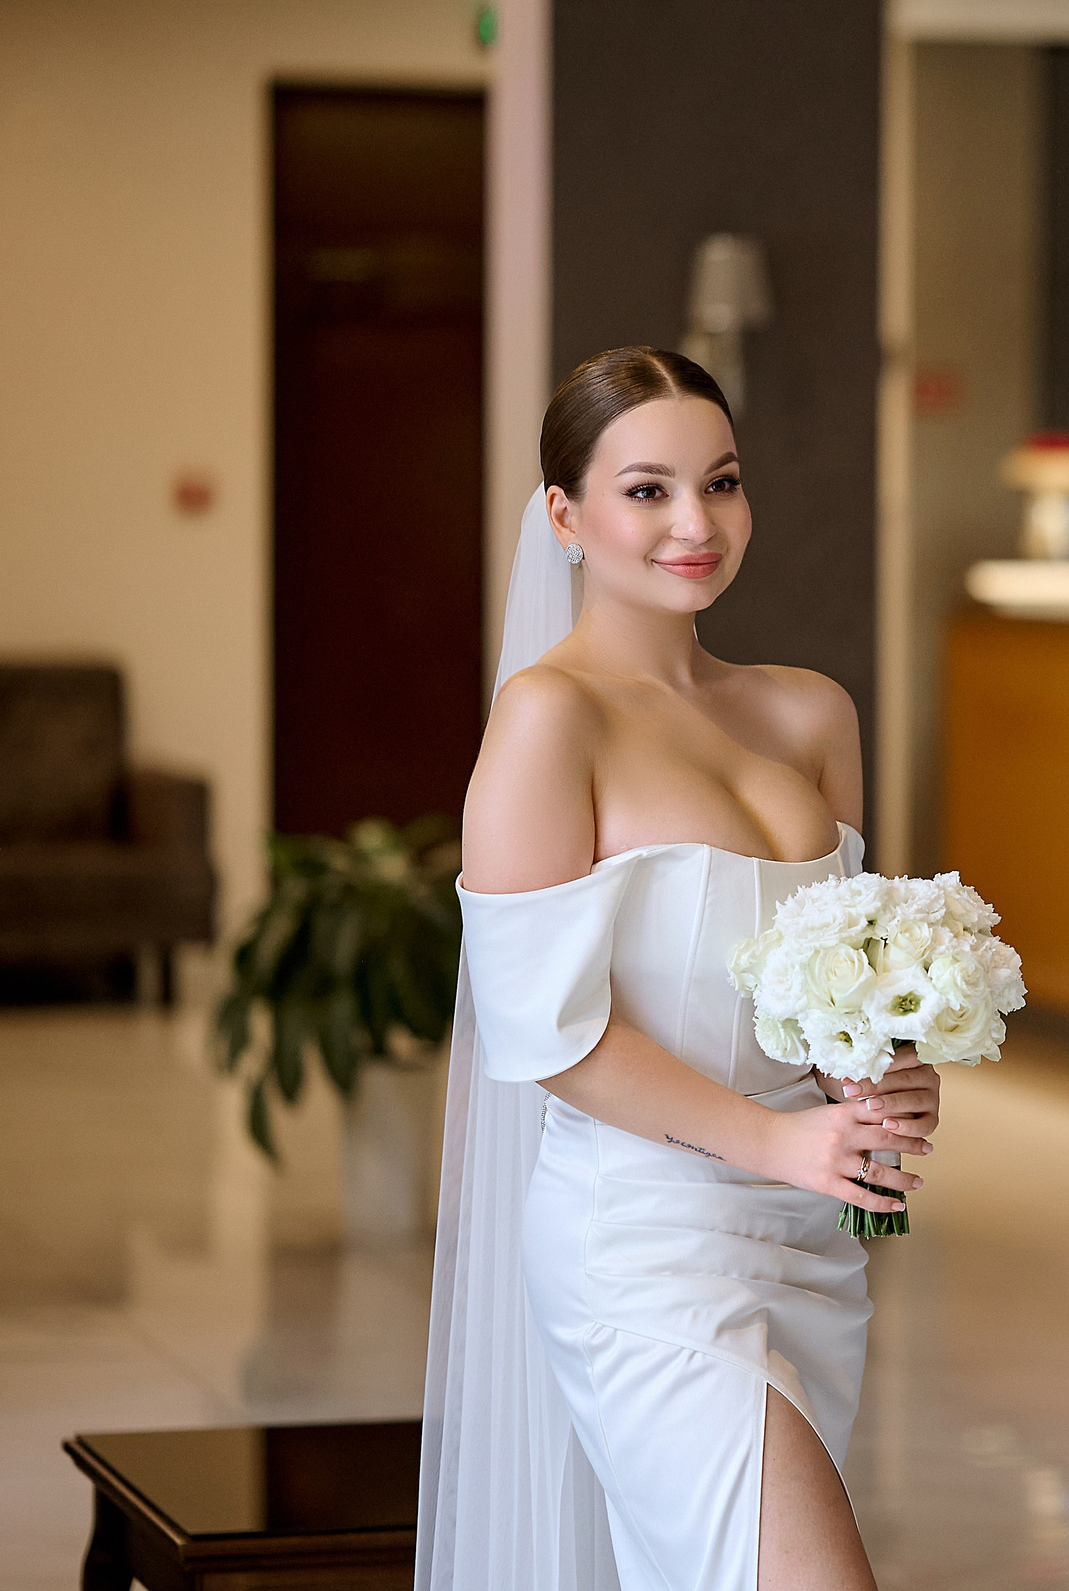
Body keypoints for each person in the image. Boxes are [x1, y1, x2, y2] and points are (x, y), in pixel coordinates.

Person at [416, 346, 938, 1591]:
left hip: (808, 1237)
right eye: (646, 489)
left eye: (722, 481)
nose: (695, 524)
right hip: (643, 1243)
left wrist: (881, 1073)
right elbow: (547, 1033)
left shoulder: (812, 711)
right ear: (565, 515)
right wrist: (770, 1143)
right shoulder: (551, 719)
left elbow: (833, 988)